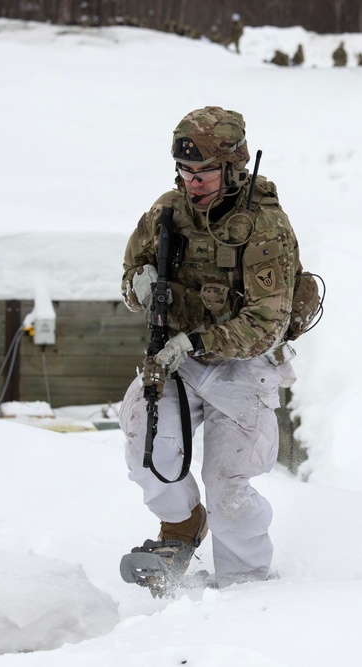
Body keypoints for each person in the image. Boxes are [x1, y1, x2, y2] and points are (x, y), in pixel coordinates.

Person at [119, 106, 301, 588]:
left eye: (204, 172)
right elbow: (131, 269)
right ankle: (181, 525)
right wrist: (139, 282)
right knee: (144, 445)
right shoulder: (166, 211)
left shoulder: (265, 227)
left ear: (234, 167)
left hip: (244, 364)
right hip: (176, 360)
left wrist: (196, 340)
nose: (193, 182)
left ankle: (245, 587)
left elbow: (266, 322)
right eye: (185, 171)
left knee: (228, 487)